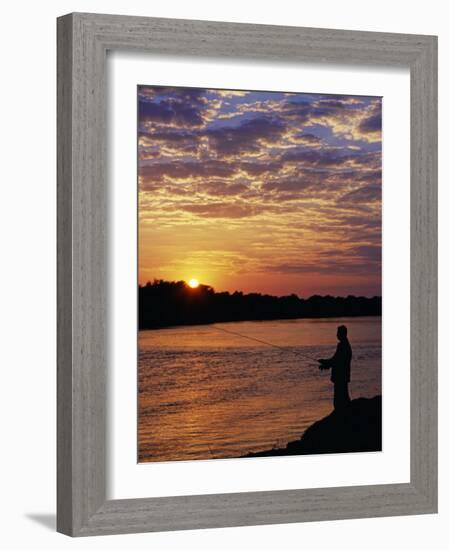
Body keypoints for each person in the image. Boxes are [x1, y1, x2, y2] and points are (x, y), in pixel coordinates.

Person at [318, 325, 352, 411]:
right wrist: (325, 363)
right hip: (342, 376)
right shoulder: (344, 345)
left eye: (338, 333)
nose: (336, 335)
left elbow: (337, 361)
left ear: (342, 334)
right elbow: (335, 360)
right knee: (343, 398)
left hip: (341, 377)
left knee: (340, 400)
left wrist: (326, 364)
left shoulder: (343, 346)